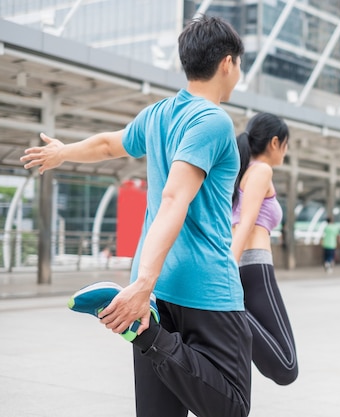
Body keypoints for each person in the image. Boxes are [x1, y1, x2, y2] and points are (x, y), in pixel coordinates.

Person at [21, 15, 253, 417]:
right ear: (228, 63)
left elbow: (110, 145)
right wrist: (142, 285)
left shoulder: (159, 114)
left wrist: (63, 152)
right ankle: (149, 337)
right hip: (205, 287)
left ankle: (147, 334)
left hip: (159, 290)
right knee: (232, 405)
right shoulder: (212, 120)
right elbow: (174, 197)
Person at [231, 112, 298, 386]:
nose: (286, 150)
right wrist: (226, 270)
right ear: (274, 142)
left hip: (246, 267)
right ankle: (223, 310)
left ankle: (225, 310)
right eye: (286, 143)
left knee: (281, 366)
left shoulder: (240, 173)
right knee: (286, 365)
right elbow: (245, 224)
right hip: (256, 268)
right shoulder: (261, 171)